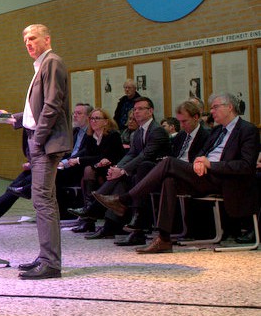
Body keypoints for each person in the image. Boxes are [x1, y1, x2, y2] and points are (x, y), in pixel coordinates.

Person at [94, 93, 258, 253]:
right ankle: (164, 239)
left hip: (224, 179)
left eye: (215, 107)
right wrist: (200, 160)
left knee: (168, 162)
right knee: (169, 180)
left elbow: (245, 166)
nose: (212, 111)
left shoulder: (247, 129)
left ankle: (124, 200)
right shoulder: (217, 131)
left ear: (229, 107)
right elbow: (202, 152)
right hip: (203, 175)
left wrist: (211, 164)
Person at [9, 24, 71, 280]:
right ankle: (46, 256)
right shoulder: (42, 66)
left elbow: (52, 104)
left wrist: (39, 139)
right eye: (25, 40)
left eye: (33, 38)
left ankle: (51, 263)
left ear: (47, 39)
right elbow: (38, 108)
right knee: (44, 201)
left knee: (43, 201)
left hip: (45, 143)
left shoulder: (52, 62)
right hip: (40, 139)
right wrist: (16, 117)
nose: (28, 43)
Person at [70, 97, 170, 242]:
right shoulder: (137, 133)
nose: (136, 112)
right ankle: (110, 225)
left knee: (127, 175)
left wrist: (122, 170)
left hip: (154, 173)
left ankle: (93, 209)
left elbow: (145, 155)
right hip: (138, 172)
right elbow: (130, 154)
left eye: (141, 109)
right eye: (135, 109)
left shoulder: (157, 131)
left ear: (150, 111)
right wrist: (117, 168)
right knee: (119, 181)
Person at [0, 103, 91, 226]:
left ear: (88, 117)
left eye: (79, 113)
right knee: (22, 177)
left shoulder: (90, 135)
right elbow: (65, 152)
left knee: (34, 174)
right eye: (74, 113)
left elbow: (84, 154)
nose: (75, 116)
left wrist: (58, 163)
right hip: (61, 167)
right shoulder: (75, 132)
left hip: (74, 170)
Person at [68, 107, 125, 233]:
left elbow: (107, 156)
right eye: (92, 118)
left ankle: (88, 214)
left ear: (106, 121)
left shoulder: (113, 135)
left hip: (113, 168)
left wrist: (79, 160)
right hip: (97, 168)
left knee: (88, 170)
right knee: (87, 171)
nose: (93, 121)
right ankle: (88, 216)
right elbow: (91, 157)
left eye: (97, 118)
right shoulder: (90, 137)